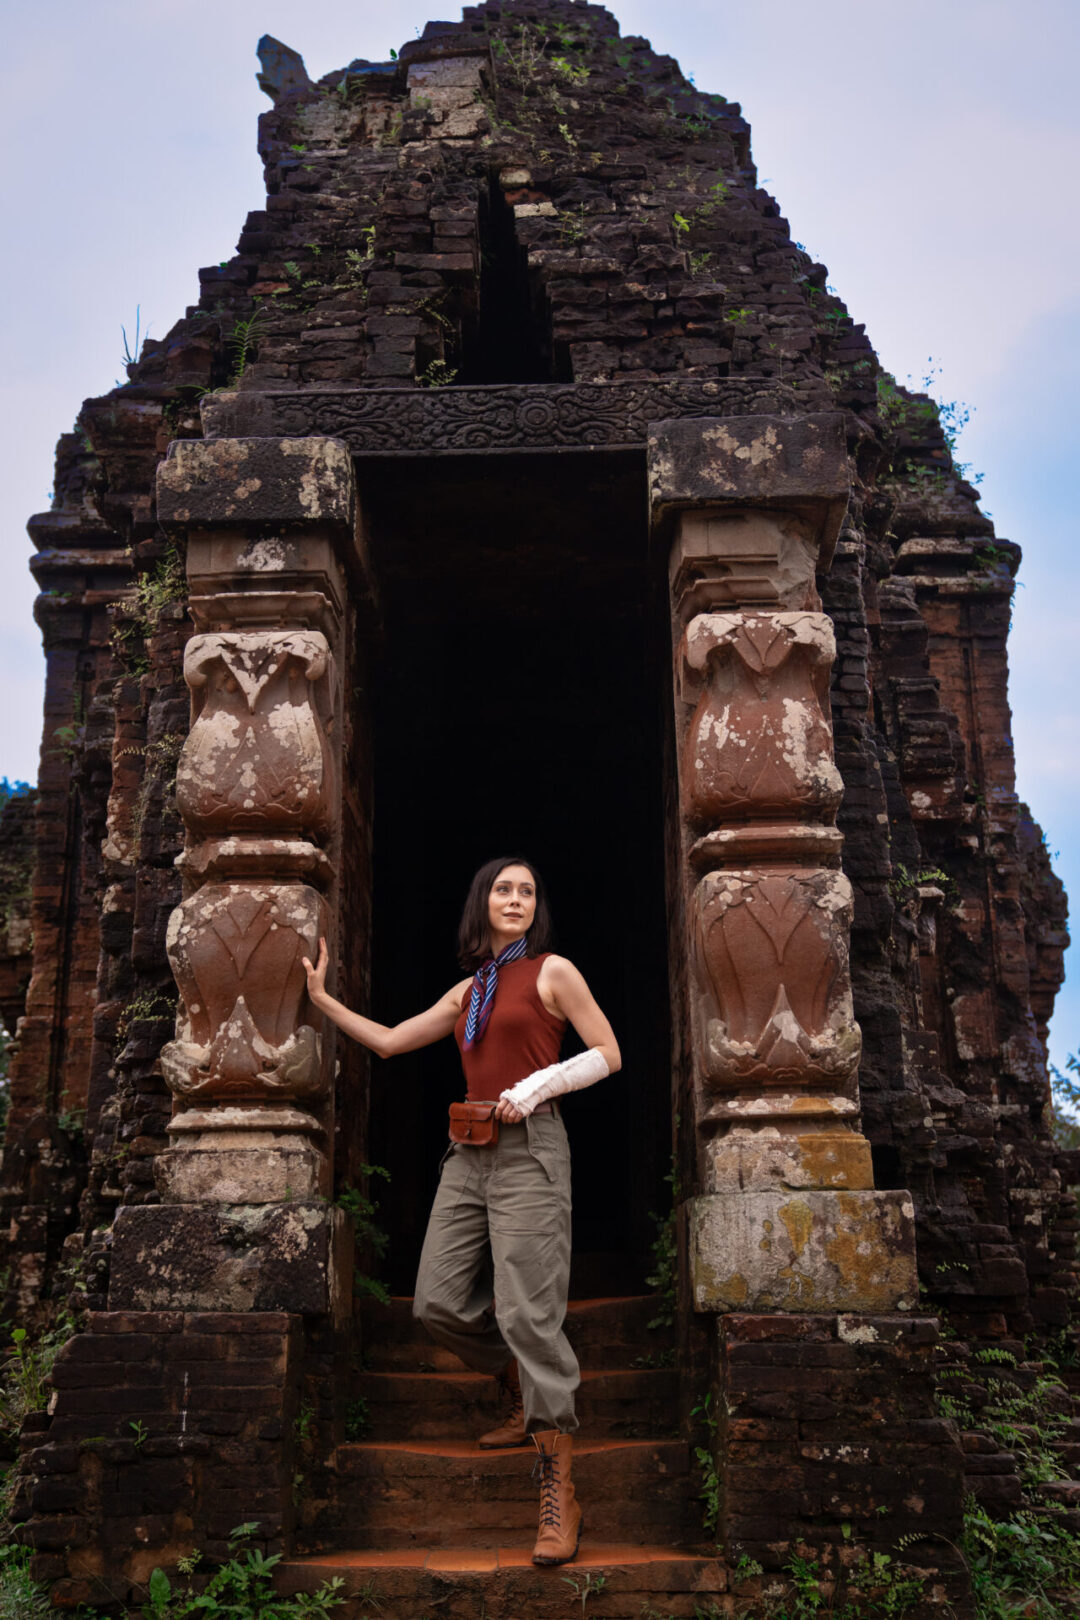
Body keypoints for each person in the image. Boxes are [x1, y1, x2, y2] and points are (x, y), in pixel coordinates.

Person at [301, 856, 621, 1567]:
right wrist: (320, 999)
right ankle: (515, 1384)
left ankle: (557, 1489)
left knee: (528, 1314)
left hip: (531, 1148)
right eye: (504, 890)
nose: (516, 899)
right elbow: (389, 1041)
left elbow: (608, 1053)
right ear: (482, 904)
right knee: (436, 1303)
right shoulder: (471, 988)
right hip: (468, 1147)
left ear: (537, 909)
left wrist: (538, 1086)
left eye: (528, 891)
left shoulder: (552, 972)